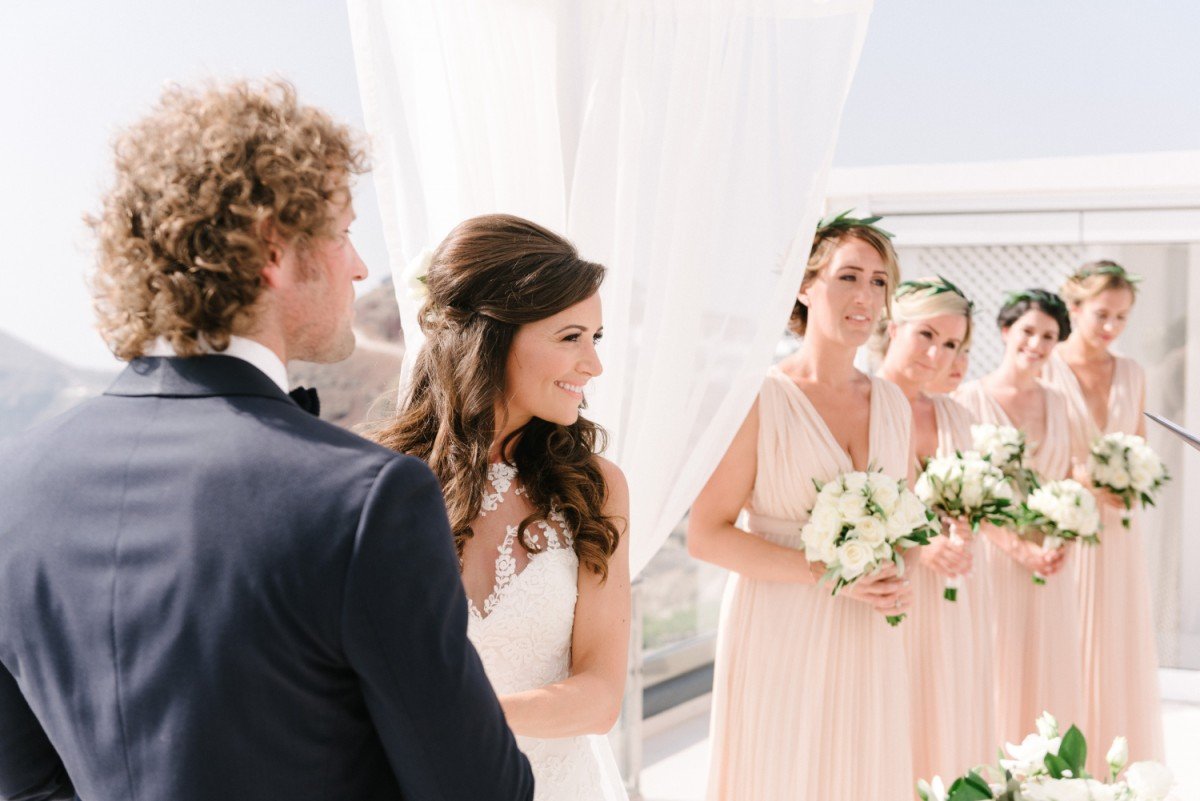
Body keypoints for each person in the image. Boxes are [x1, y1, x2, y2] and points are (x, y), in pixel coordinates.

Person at [0, 80, 532, 801]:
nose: (358, 266)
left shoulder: (13, 485)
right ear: (274, 249)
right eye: (343, 232)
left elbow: (27, 786)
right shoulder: (366, 499)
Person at [369, 214, 631, 801]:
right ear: (493, 337)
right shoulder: (380, 484)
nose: (593, 364)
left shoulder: (596, 488)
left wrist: (467, 720)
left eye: (595, 338)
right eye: (571, 337)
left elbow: (601, 696)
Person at [689, 213, 915, 801]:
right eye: (849, 276)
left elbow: (907, 521)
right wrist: (828, 574)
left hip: (869, 629)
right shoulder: (760, 398)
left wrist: (898, 575)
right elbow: (707, 535)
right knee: (780, 773)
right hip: (780, 625)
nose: (865, 296)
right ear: (805, 285)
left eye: (879, 282)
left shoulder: (894, 403)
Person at [874, 277, 997, 783]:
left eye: (951, 344)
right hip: (885, 592)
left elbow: (972, 496)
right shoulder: (860, 405)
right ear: (893, 328)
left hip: (952, 592)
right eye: (926, 335)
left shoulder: (955, 415)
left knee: (946, 706)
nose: (937, 354)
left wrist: (965, 527)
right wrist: (920, 549)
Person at [1044, 262, 1164, 773]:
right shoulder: (1046, 367)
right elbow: (1033, 454)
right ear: (1073, 309)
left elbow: (1140, 446)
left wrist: (1133, 478)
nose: (1112, 327)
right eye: (1102, 314)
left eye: (1122, 317)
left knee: (1117, 648)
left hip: (1117, 535)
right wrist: (1082, 479)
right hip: (1064, 528)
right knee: (1065, 645)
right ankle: (1061, 770)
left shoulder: (1132, 373)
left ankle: (1113, 772)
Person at [954, 289, 1087, 743]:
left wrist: (1061, 538)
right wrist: (1016, 548)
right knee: (997, 667)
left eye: (1049, 336)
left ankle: (1049, 772)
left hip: (1050, 563)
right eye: (1028, 331)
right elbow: (963, 492)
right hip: (993, 560)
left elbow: (1068, 480)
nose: (1036, 344)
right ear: (1006, 330)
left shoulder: (1060, 403)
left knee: (1051, 669)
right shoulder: (968, 400)